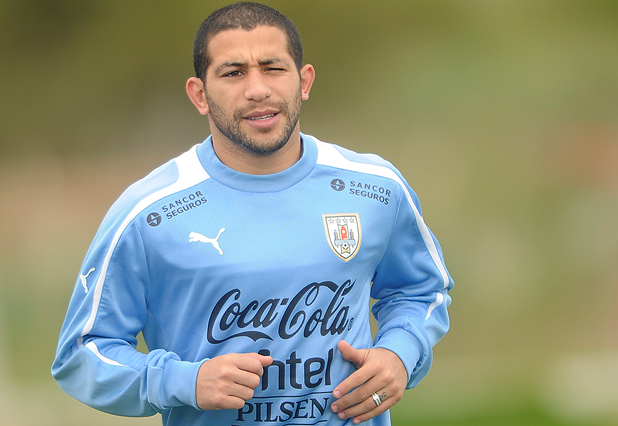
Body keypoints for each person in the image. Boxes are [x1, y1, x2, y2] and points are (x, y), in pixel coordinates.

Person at [52, 3, 453, 425]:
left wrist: (399, 354)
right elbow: (81, 354)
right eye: (233, 72)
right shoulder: (148, 214)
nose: (257, 89)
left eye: (273, 68)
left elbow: (421, 292)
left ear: (305, 81)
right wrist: (183, 380)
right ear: (199, 95)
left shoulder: (374, 188)